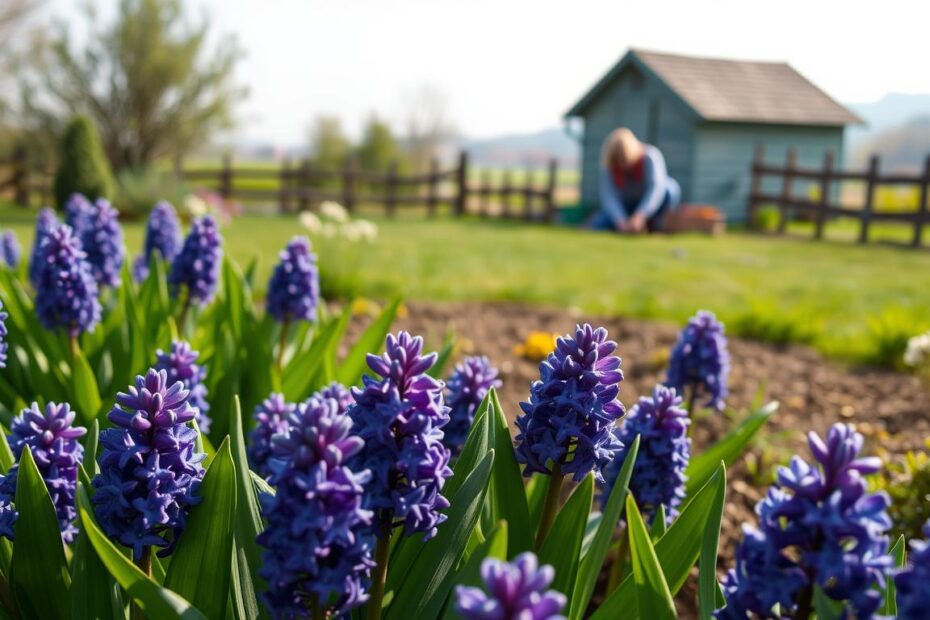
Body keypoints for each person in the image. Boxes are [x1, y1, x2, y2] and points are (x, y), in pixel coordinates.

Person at [591, 128, 681, 233]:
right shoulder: (609, 164)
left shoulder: (650, 156)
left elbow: (655, 189)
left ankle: (657, 224)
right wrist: (620, 220)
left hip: (651, 206)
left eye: (624, 159)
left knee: (670, 189)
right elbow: (609, 196)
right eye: (618, 160)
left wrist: (640, 215)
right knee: (600, 223)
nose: (622, 165)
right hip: (626, 205)